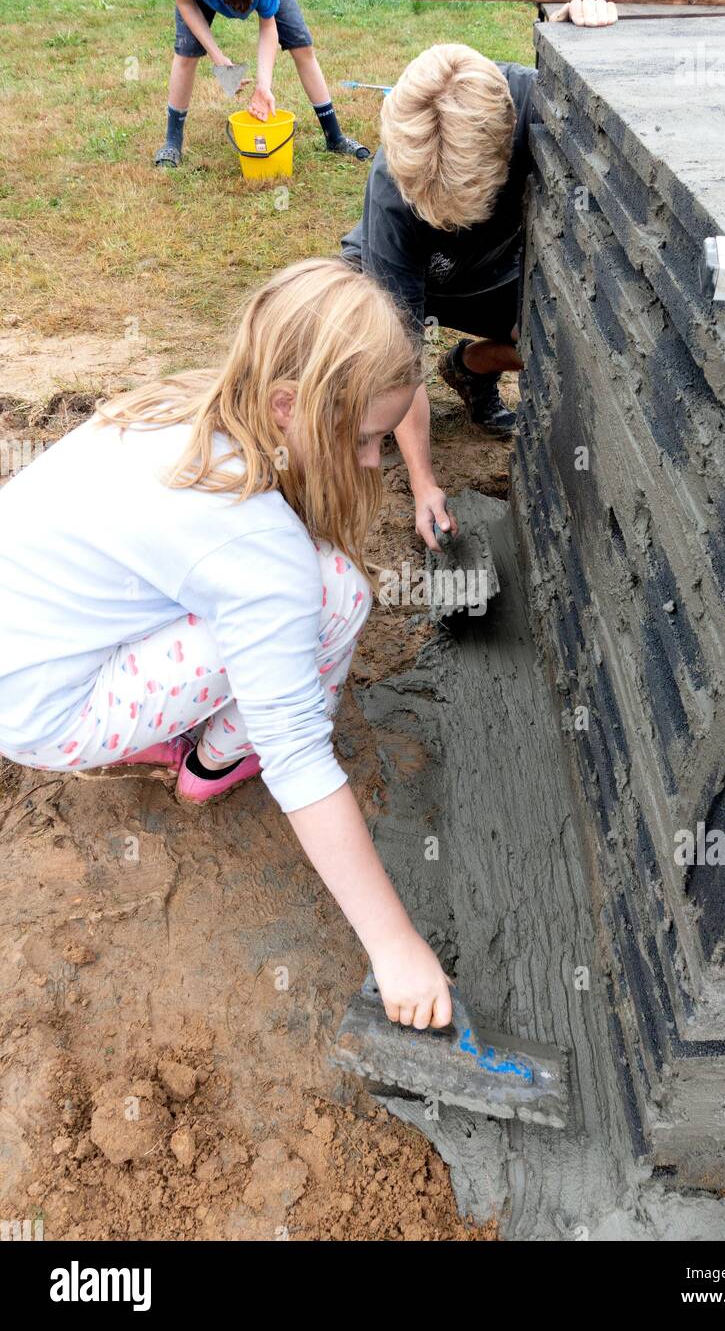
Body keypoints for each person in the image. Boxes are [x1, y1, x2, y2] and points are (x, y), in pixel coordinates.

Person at [0, 260, 452, 1031]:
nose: (376, 461)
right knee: (335, 594)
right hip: (46, 711)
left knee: (301, 592)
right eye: (370, 438)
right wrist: (395, 943)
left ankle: (165, 721)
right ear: (288, 407)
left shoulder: (189, 410)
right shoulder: (257, 551)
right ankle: (211, 761)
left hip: (32, 647)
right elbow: (301, 755)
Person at [341, 3, 617, 549]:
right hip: (408, 269)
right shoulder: (394, 192)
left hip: (497, 274)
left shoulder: (545, 108)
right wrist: (424, 483)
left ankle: (468, 369)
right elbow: (398, 359)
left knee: (554, 340)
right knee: (345, 346)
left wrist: (603, 35)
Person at [153, 0, 369, 166]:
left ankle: (334, 137)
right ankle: (172, 141)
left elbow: (268, 25)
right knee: (186, 53)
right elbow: (185, 3)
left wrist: (263, 85)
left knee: (301, 44)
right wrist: (218, 57)